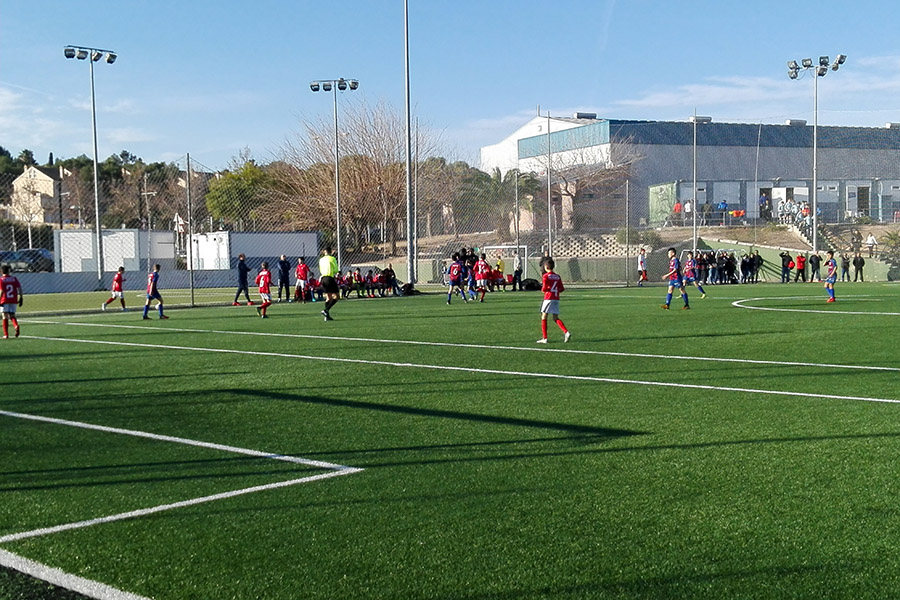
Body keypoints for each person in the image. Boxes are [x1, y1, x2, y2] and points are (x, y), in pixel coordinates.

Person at [536, 258, 570, 344]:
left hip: (548, 298)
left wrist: (547, 288)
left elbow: (543, 289)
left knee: (544, 317)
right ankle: (566, 332)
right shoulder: (558, 276)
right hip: (556, 298)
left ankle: (545, 338)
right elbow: (561, 289)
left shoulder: (545, 276)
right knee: (555, 318)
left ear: (546, 267)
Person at [0, 265, 23, 339]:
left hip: (4, 300)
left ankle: (6, 334)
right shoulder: (14, 278)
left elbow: (2, 290)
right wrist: (21, 297)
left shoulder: (1, 279)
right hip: (13, 299)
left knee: (4, 316)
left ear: (1, 271)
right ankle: (16, 325)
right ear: (9, 271)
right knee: (12, 315)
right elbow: (19, 288)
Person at [318, 247, 340, 321]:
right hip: (330, 278)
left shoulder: (321, 260)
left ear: (324, 252)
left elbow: (320, 269)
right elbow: (336, 269)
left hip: (323, 278)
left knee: (328, 297)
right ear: (331, 252)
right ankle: (326, 310)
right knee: (337, 296)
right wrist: (335, 273)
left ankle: (326, 316)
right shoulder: (332, 258)